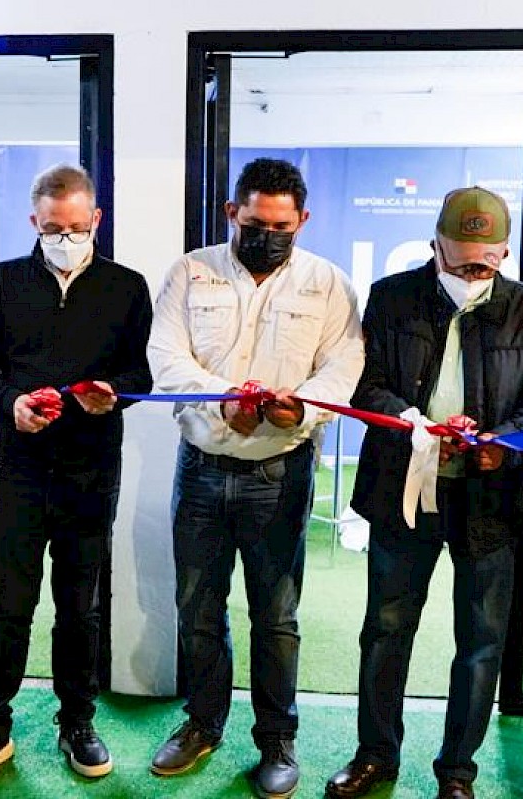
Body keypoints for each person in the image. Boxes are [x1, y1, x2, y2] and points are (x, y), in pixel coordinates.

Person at [323, 187, 523, 799]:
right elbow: (364, 386)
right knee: (385, 627)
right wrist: (416, 425)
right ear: (435, 247)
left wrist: (501, 441)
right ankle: (375, 755)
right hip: (403, 486)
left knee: (481, 641)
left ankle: (457, 772)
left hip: (492, 496)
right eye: (460, 263)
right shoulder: (391, 297)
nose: (472, 274)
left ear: (505, 252)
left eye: (485, 264)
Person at [147, 157, 364, 799]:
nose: (268, 233)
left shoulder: (328, 285)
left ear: (302, 221)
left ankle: (277, 740)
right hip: (203, 470)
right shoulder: (191, 272)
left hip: (281, 471)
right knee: (198, 607)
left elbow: (341, 368)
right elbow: (166, 357)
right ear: (232, 214)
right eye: (255, 221)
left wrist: (302, 405)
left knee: (275, 616)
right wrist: (226, 399)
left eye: (281, 224)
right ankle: (202, 725)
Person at [0, 163, 152, 790]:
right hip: (17, 467)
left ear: (95, 219)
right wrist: (9, 401)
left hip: (91, 470)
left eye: (75, 226)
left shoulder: (126, 286)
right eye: (52, 227)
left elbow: (144, 374)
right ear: (33, 222)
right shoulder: (2, 282)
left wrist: (112, 393)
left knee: (80, 607)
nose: (64, 236)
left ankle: (78, 721)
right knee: (10, 605)